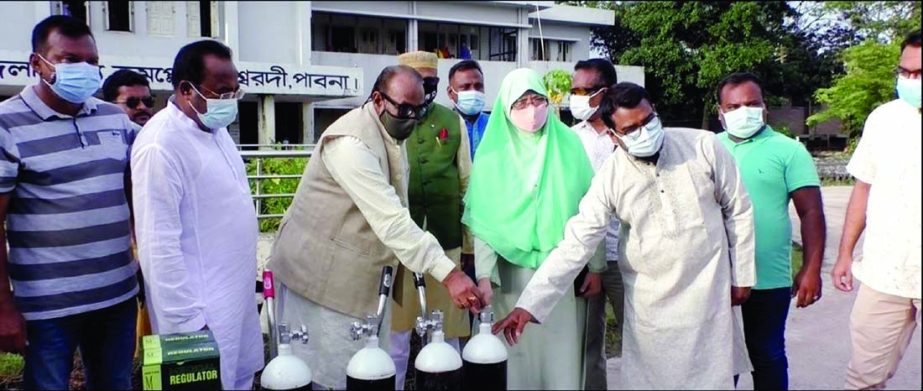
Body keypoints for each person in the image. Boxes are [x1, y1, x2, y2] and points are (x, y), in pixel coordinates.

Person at [494, 82, 757, 389]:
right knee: (655, 380)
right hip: (651, 305)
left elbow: (738, 209)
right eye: (631, 129)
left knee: (712, 379)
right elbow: (576, 243)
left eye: (647, 121)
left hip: (708, 293)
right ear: (613, 136)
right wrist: (530, 304)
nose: (644, 132)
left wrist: (742, 276)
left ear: (655, 112)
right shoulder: (611, 176)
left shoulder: (704, 146)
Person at [268, 65, 483, 389]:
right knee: (331, 375)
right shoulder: (350, 143)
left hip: (359, 279)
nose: (412, 117)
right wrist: (449, 273)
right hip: (321, 280)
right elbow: (391, 218)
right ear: (378, 100)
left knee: (365, 368)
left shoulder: (389, 136)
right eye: (405, 109)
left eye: (419, 108)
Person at [0, 15, 139, 389]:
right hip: (47, 308)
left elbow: (144, 182)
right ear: (37, 64)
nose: (85, 70)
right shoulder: (6, 125)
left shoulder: (116, 119)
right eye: (68, 60)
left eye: (92, 62)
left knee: (115, 383)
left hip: (117, 296)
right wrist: (3, 308)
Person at [131, 39, 262, 390]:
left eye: (236, 90)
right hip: (199, 313)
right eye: (222, 91)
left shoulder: (216, 131)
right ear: (186, 90)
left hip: (234, 300)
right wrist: (186, 322)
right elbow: (158, 247)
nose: (231, 100)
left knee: (238, 379)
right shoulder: (161, 144)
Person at [463, 68, 600, 389]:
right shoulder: (492, 153)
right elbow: (483, 223)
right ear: (506, 108)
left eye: (537, 100)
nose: (531, 110)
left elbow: (590, 209)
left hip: (560, 272)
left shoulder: (568, 143)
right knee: (513, 358)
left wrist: (594, 267)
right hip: (508, 277)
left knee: (561, 359)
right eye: (521, 103)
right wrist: (484, 277)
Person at [715, 71, 826, 390]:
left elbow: (811, 212)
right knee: (721, 360)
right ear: (720, 111)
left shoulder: (787, 150)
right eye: (734, 106)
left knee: (766, 354)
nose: (744, 112)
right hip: (717, 275)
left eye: (752, 104)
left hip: (768, 276)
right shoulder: (708, 147)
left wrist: (811, 268)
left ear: (764, 107)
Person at [832, 29, 921, 390]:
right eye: (905, 72)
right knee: (863, 379)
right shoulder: (883, 119)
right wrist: (844, 254)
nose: (911, 80)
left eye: (920, 74)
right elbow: (863, 189)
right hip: (886, 273)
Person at [389, 51, 473, 389]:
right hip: (399, 247)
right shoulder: (388, 121)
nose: (423, 89)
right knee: (394, 338)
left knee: (445, 334)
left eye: (430, 82)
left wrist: (469, 246)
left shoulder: (452, 123)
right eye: (416, 81)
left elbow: (468, 183)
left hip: (446, 244)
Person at [568, 58, 624, 391]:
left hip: (627, 255)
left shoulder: (630, 134)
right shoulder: (569, 138)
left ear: (607, 92)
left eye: (585, 90)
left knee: (642, 340)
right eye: (574, 90)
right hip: (585, 256)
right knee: (587, 345)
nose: (577, 97)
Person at [447, 59, 490, 159]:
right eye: (465, 87)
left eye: (478, 86)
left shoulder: (495, 123)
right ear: (450, 92)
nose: (473, 91)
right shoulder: (442, 125)